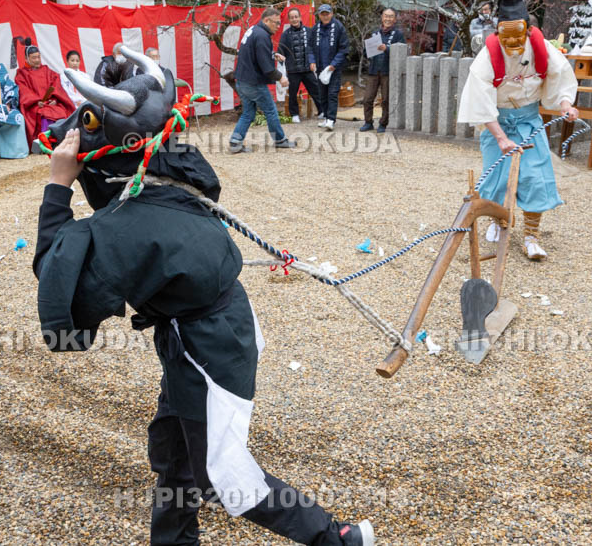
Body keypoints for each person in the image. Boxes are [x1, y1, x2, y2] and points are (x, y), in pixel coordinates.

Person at [32, 50, 375, 546]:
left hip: (209, 349)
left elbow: (54, 279)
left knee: (223, 480)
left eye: (85, 121)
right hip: (210, 329)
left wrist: (57, 185)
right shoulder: (167, 173)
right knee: (175, 456)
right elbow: (116, 198)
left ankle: (336, 538)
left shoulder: (122, 231)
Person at [457, 0, 579, 261]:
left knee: (535, 178)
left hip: (528, 121)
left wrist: (565, 105)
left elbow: (561, 79)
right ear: (498, 30)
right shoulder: (488, 55)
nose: (511, 40)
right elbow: (480, 101)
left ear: (528, 29)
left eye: (517, 33)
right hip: (497, 122)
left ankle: (531, 236)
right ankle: (499, 222)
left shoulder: (541, 48)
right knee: (496, 179)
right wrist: (500, 138)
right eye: (505, 33)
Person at [229, 8, 293, 153]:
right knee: (270, 110)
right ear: (266, 20)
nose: (278, 26)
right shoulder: (262, 36)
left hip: (241, 80)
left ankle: (235, 142)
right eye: (276, 23)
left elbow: (256, 53)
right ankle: (280, 140)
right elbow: (267, 68)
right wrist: (281, 77)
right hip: (253, 82)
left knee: (248, 113)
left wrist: (273, 54)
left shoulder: (254, 30)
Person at [15, 38, 76, 145]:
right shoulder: (21, 74)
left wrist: (55, 100)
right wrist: (36, 102)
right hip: (35, 105)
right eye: (34, 58)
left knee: (61, 111)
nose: (37, 60)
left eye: (38, 57)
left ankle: (63, 141)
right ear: (26, 58)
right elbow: (24, 92)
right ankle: (45, 143)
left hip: (51, 103)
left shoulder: (48, 72)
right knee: (44, 114)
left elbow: (56, 87)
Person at [361, 8, 406, 133]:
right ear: (382, 17)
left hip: (388, 71)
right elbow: (366, 53)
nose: (388, 19)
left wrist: (387, 48)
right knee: (367, 98)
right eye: (386, 16)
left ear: (395, 19)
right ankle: (368, 122)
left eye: (391, 16)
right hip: (374, 70)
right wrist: (369, 49)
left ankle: (383, 123)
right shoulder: (375, 33)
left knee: (386, 99)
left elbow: (403, 52)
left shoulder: (398, 35)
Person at [277, 7, 320, 123]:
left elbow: (315, 48)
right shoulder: (285, 35)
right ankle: (294, 114)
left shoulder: (309, 31)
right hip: (293, 70)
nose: (294, 19)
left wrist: (314, 61)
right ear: (289, 20)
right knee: (293, 93)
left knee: (316, 90)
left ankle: (322, 111)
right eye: (292, 17)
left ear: (300, 18)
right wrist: (279, 57)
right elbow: (280, 51)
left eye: (296, 17)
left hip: (307, 68)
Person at [313, 4, 349, 131]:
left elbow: (344, 48)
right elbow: (310, 48)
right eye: (322, 14)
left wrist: (334, 64)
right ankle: (326, 116)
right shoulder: (316, 28)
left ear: (332, 13)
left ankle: (331, 119)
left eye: (327, 13)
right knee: (322, 94)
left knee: (332, 93)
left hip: (334, 67)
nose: (325, 16)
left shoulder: (338, 27)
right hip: (320, 66)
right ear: (319, 15)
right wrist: (312, 61)